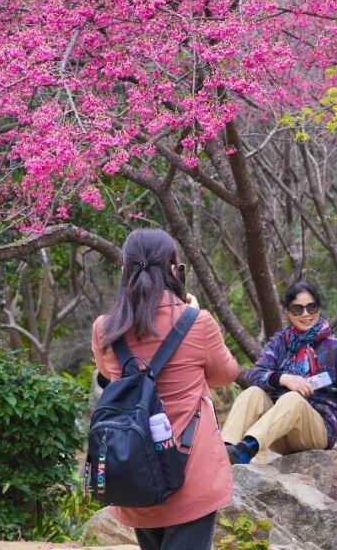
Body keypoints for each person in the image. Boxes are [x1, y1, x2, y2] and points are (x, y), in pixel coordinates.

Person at [92, 228, 239, 550]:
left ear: (124, 269)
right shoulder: (198, 322)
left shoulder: (105, 328)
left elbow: (108, 374)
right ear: (174, 269)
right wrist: (191, 311)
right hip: (191, 475)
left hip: (133, 471)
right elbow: (226, 374)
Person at [223, 280, 337, 464]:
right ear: (288, 312)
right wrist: (283, 378)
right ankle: (224, 450)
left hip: (317, 431)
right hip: (279, 430)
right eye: (298, 309)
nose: (306, 314)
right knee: (252, 393)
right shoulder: (280, 342)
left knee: (293, 399)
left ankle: (245, 449)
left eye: (311, 307)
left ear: (318, 308)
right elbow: (253, 376)